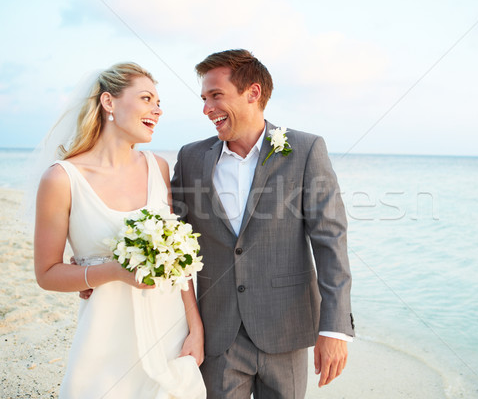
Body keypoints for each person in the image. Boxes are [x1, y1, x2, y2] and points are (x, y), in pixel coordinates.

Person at [171, 49, 354, 398]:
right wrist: (106, 267)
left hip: (286, 329)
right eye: (204, 98)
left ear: (252, 93)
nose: (207, 108)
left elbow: (330, 241)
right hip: (217, 333)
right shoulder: (191, 158)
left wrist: (334, 328)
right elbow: (171, 238)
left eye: (215, 96)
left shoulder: (305, 150)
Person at [33, 62, 206, 398]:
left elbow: (179, 257)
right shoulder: (62, 179)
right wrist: (111, 271)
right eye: (146, 98)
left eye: (159, 103)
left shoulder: (157, 167)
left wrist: (195, 328)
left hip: (170, 334)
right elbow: (47, 273)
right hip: (106, 339)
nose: (157, 110)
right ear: (109, 102)